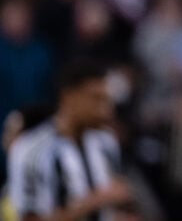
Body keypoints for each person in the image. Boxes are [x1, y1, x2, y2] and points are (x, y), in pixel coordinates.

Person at [7, 59, 134, 221]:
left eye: (107, 100)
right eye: (96, 99)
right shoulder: (31, 150)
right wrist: (93, 202)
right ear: (68, 97)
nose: (105, 111)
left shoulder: (106, 142)